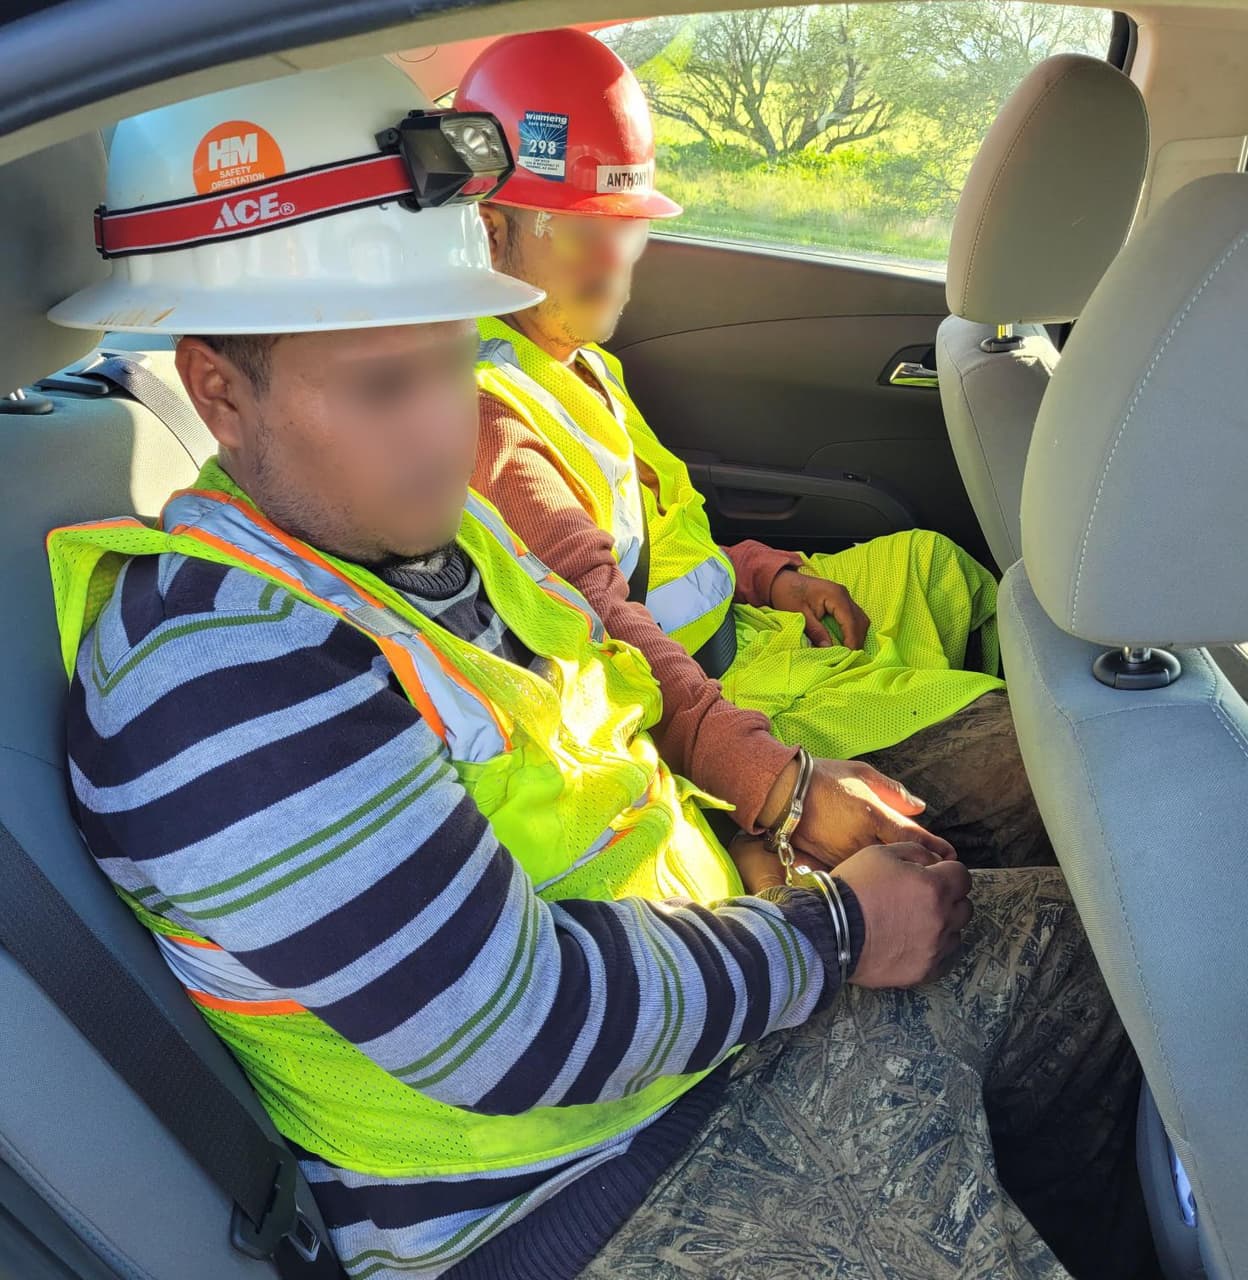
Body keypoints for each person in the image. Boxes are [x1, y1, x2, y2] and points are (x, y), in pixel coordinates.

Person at [49, 56, 1150, 1280]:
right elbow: (512, 1026)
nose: (443, 427)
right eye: (381, 384)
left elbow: (601, 716)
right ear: (217, 391)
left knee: (1118, 957)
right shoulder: (216, 669)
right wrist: (834, 928)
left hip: (688, 1038)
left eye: (457, 356)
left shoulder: (434, 531)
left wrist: (774, 813)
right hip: (570, 1194)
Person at [455, 29, 1052, 873]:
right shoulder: (488, 411)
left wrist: (774, 574)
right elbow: (606, 627)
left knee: (935, 567)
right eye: (575, 228)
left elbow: (663, 543)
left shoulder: (575, 358)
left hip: (749, 628)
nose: (616, 257)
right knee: (1040, 763)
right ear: (489, 228)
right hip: (716, 699)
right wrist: (781, 791)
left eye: (626, 224)